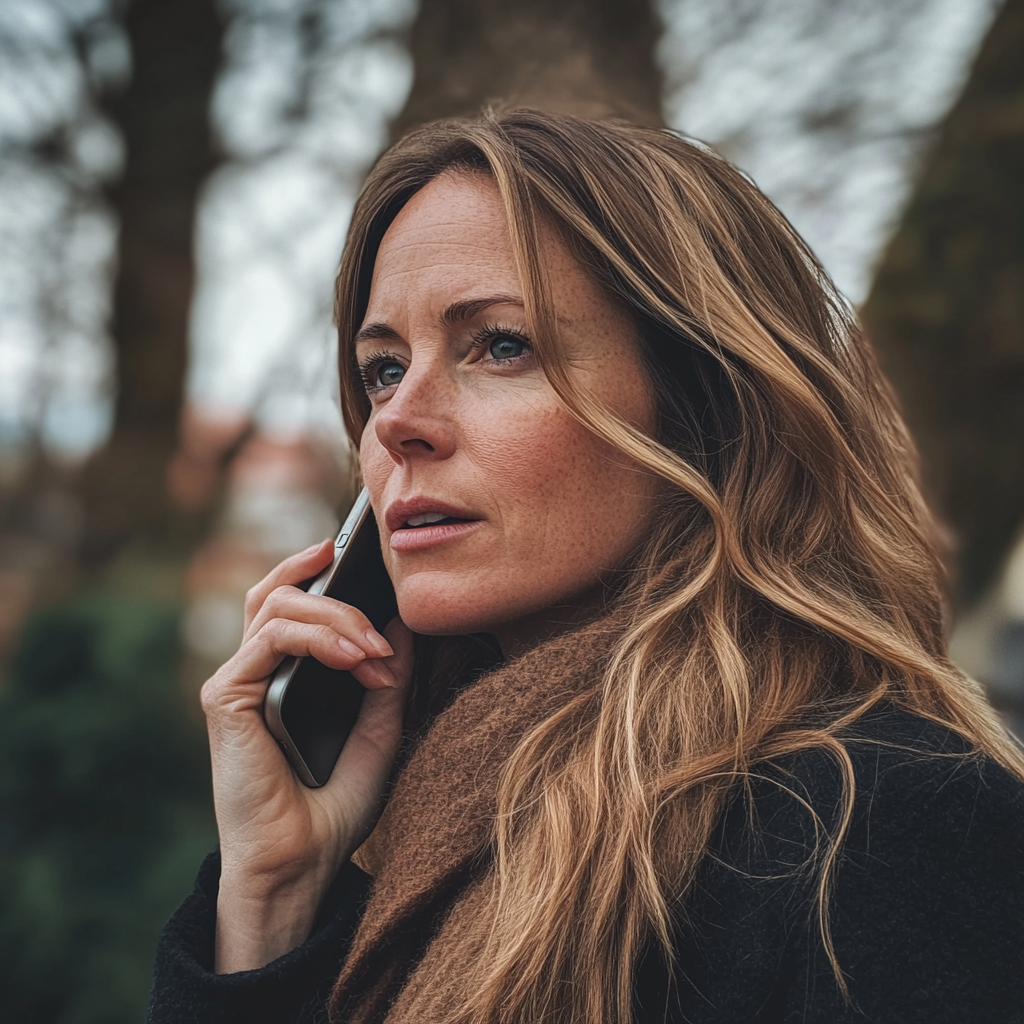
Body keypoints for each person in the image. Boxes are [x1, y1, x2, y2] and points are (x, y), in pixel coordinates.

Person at [147, 109, 1024, 1024]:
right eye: (381, 368)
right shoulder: (423, 824)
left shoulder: (885, 824)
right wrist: (271, 899)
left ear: (704, 406)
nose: (398, 420)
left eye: (500, 345)